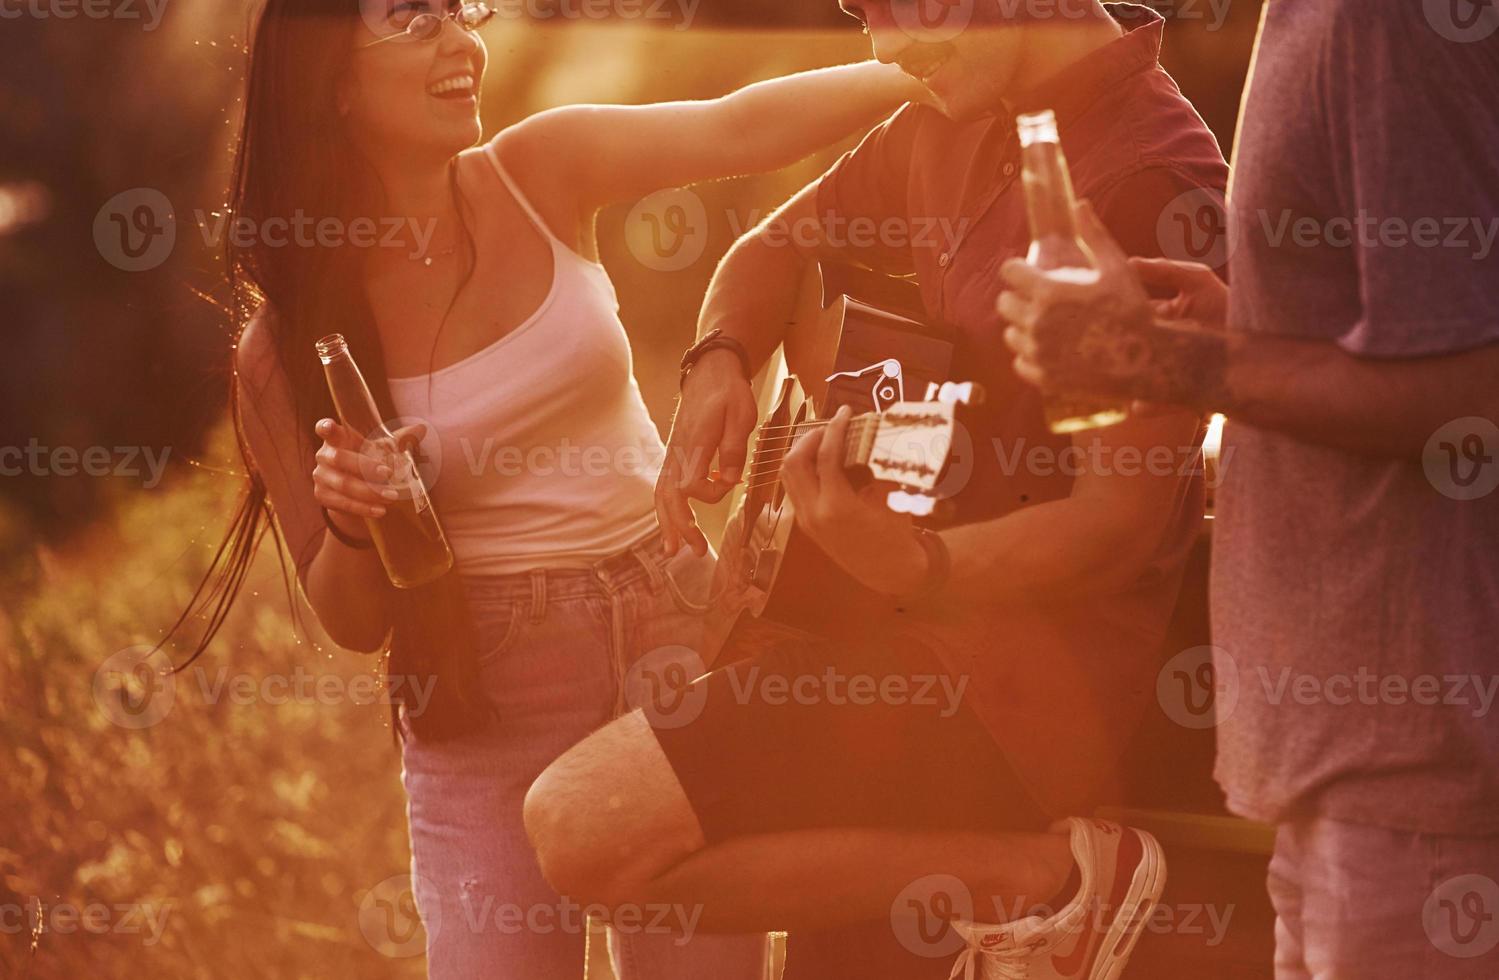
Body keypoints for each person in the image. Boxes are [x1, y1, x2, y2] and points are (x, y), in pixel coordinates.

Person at [170, 0, 925, 976]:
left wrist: (927, 62)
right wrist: (359, 524)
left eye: (461, 11)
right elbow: (352, 623)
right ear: (334, 80)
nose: (461, 41)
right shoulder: (279, 352)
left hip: (669, 641)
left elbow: (736, 123)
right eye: (414, 19)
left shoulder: (536, 171)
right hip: (486, 692)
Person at [522, 3, 1228, 977]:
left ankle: (1041, 882)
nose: (885, 43)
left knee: (580, 825)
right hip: (881, 629)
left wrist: (919, 563)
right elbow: (772, 247)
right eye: (863, 10)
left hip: (1017, 692)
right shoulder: (960, 111)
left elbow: (1119, 521)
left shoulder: (1150, 176)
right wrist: (721, 362)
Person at [998, 1, 1499, 976]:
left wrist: (1165, 361)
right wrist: (1241, 331)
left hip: (1412, 762)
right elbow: (1400, 325)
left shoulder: (1381, 23)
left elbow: (1467, 383)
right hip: (1339, 761)